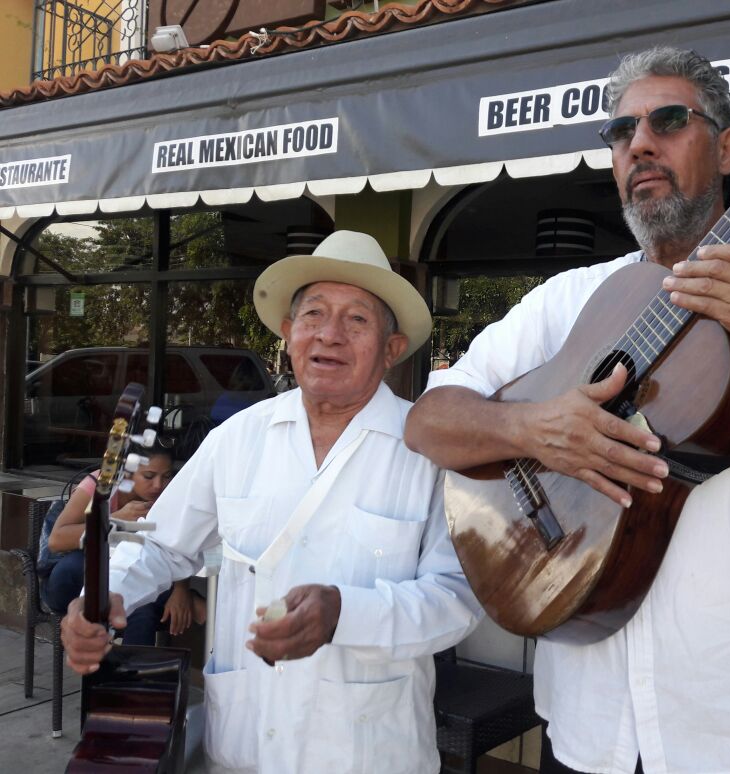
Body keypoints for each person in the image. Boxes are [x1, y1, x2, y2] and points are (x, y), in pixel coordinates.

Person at [405, 47, 730, 774]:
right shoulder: (571, 298)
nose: (639, 143)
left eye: (669, 121)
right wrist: (534, 427)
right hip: (588, 727)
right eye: (621, 133)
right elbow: (428, 420)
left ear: (729, 147)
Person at [61, 230, 482, 774]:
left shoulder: (428, 449)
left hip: (368, 753)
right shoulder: (238, 437)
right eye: (313, 315)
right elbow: (159, 544)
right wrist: (103, 593)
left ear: (391, 348)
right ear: (288, 333)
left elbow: (456, 602)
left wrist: (342, 615)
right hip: (242, 748)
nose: (329, 335)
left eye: (356, 319)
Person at [43, 447, 204, 643]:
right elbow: (57, 540)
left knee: (145, 611)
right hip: (72, 578)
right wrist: (117, 520)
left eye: (167, 476)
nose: (158, 485)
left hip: (125, 580)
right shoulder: (100, 485)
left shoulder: (167, 496)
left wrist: (181, 590)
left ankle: (130, 672)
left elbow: (176, 544)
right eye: (149, 476)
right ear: (126, 473)